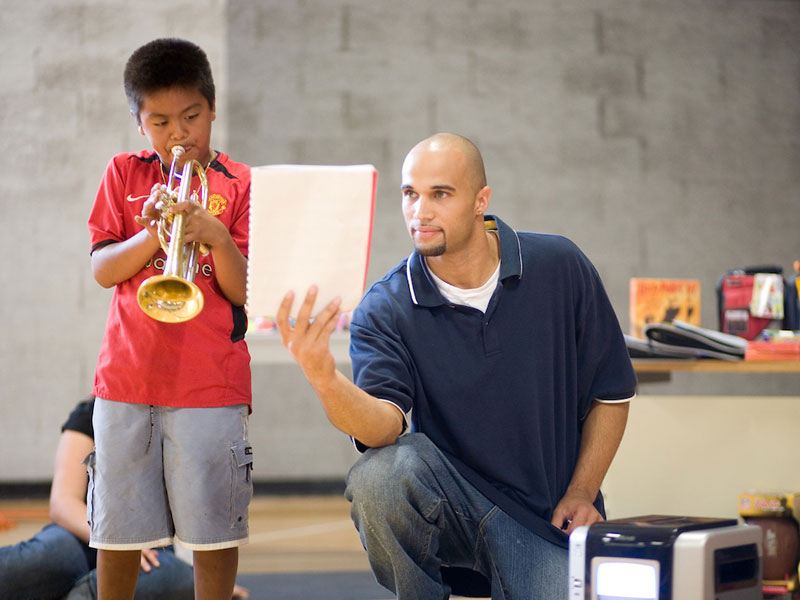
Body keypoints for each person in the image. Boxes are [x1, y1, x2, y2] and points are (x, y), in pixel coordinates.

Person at [275, 133, 637, 599]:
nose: (419, 212)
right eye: (410, 194)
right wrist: (323, 377)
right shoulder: (384, 308)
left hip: (545, 520)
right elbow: (381, 430)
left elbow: (611, 393)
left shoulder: (560, 266)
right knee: (378, 477)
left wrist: (584, 492)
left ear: (480, 201)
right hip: (453, 513)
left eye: (439, 194)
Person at [87, 38, 252, 600]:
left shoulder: (240, 183)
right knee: (117, 530)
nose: (179, 134)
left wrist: (216, 235)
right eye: (160, 121)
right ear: (139, 123)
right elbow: (104, 270)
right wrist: (151, 233)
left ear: (212, 110)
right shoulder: (123, 174)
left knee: (212, 531)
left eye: (191, 117)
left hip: (210, 381)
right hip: (127, 378)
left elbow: (242, 289)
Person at [0, 397, 250, 599]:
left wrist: (216, 586)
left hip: (151, 551)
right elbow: (62, 503)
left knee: (171, 579)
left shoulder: (176, 421)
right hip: (81, 535)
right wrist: (120, 540)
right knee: (49, 556)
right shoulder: (90, 414)